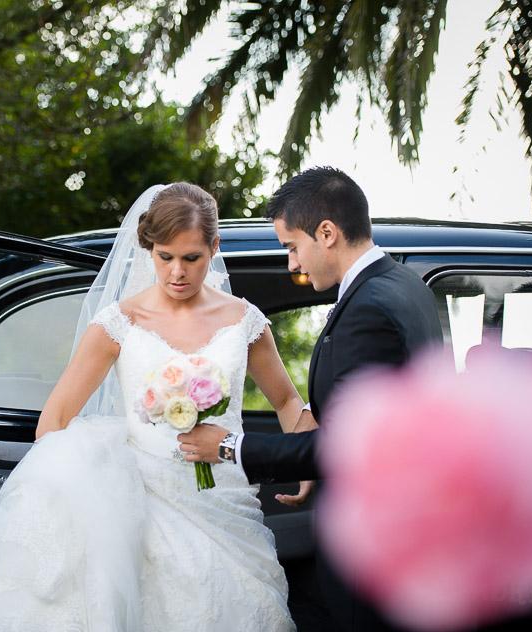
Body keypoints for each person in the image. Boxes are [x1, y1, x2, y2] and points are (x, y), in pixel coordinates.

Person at [0, 182, 306, 631]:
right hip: (141, 507)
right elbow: (56, 420)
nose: (177, 272)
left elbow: (285, 399)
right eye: (165, 257)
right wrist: (85, 490)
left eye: (192, 258)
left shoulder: (244, 321)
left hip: (223, 500)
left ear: (214, 247)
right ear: (149, 249)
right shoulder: (119, 323)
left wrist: (307, 462)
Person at [179, 167, 443, 631]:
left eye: (291, 247)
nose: (293, 265)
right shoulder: (405, 286)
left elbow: (349, 449)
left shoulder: (369, 309)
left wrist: (226, 447)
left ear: (327, 232)